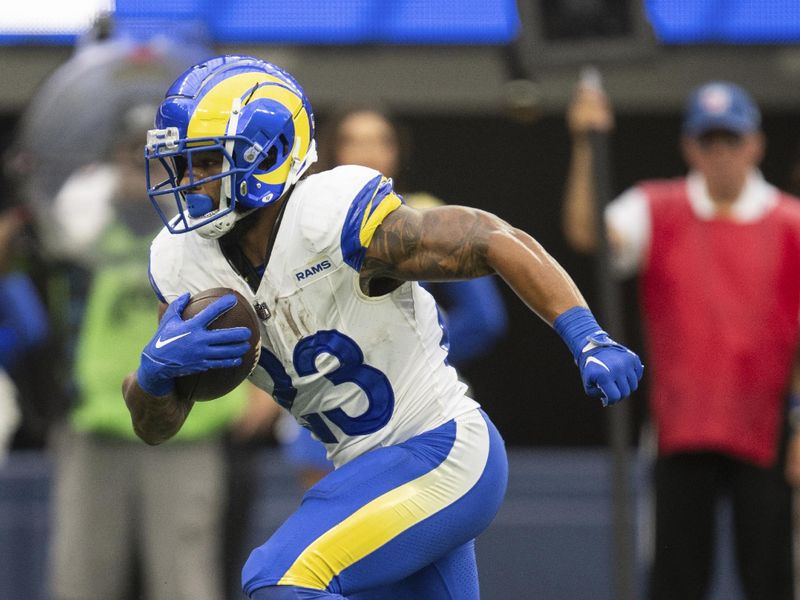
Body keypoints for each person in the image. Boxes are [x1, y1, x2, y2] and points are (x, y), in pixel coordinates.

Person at [123, 54, 643, 599]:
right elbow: (154, 427)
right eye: (181, 165)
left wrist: (587, 334)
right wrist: (153, 375)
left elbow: (492, 238)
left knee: (280, 577)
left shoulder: (330, 215)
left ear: (269, 154)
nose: (189, 182)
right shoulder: (182, 263)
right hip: (367, 471)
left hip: (441, 449)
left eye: (207, 162)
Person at [563, 78, 800, 600]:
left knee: (772, 578)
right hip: (680, 427)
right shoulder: (657, 207)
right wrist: (586, 142)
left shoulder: (791, 223)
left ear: (755, 144)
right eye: (708, 141)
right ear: (689, 146)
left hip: (766, 429)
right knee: (676, 579)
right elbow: (589, 234)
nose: (720, 155)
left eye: (731, 140)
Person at [45, 104, 251, 600]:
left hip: (189, 425)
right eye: (129, 155)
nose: (142, 170)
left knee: (182, 580)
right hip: (95, 427)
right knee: (80, 580)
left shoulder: (210, 235)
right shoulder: (83, 235)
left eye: (156, 159)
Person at [277, 106, 510, 490]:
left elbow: (485, 317)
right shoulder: (300, 216)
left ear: (397, 150)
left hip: (406, 405)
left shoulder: (427, 215)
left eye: (380, 141)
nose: (368, 151)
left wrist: (420, 355)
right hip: (323, 401)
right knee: (331, 532)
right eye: (355, 140)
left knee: (410, 529)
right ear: (332, 148)